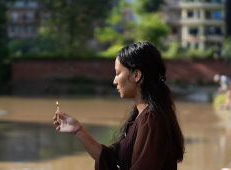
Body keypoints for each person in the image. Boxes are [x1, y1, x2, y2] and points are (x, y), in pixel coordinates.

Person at [53, 41, 185, 170]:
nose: (114, 81)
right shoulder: (140, 116)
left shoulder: (151, 120)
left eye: (118, 73)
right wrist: (77, 130)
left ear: (136, 75)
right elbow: (111, 159)